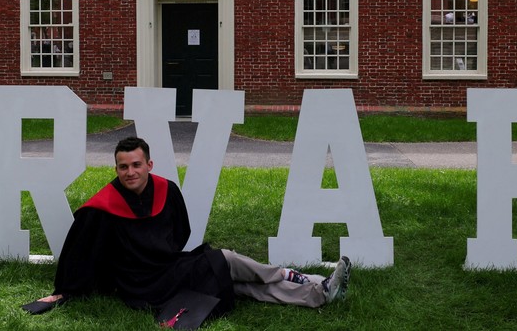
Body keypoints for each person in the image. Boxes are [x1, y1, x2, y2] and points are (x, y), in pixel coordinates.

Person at [29, 137, 350, 322]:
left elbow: (180, 232)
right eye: (123, 167)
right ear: (116, 168)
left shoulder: (166, 190)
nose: (130, 172)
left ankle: (318, 293)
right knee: (225, 259)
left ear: (149, 165)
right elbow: (80, 251)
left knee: (233, 284)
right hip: (141, 285)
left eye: (136, 165)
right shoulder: (102, 207)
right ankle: (289, 275)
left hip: (170, 268)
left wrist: (166, 257)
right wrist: (65, 289)